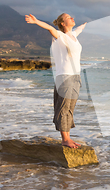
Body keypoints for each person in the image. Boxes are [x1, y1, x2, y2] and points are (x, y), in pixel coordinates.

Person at [25, 13, 87, 148]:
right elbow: (50, 28)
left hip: (75, 77)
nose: (72, 18)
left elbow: (79, 30)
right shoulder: (60, 36)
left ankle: (68, 137)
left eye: (72, 16)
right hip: (65, 77)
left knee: (69, 108)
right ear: (63, 23)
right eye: (69, 17)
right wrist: (36, 22)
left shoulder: (73, 36)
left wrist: (87, 25)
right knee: (63, 107)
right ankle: (65, 139)